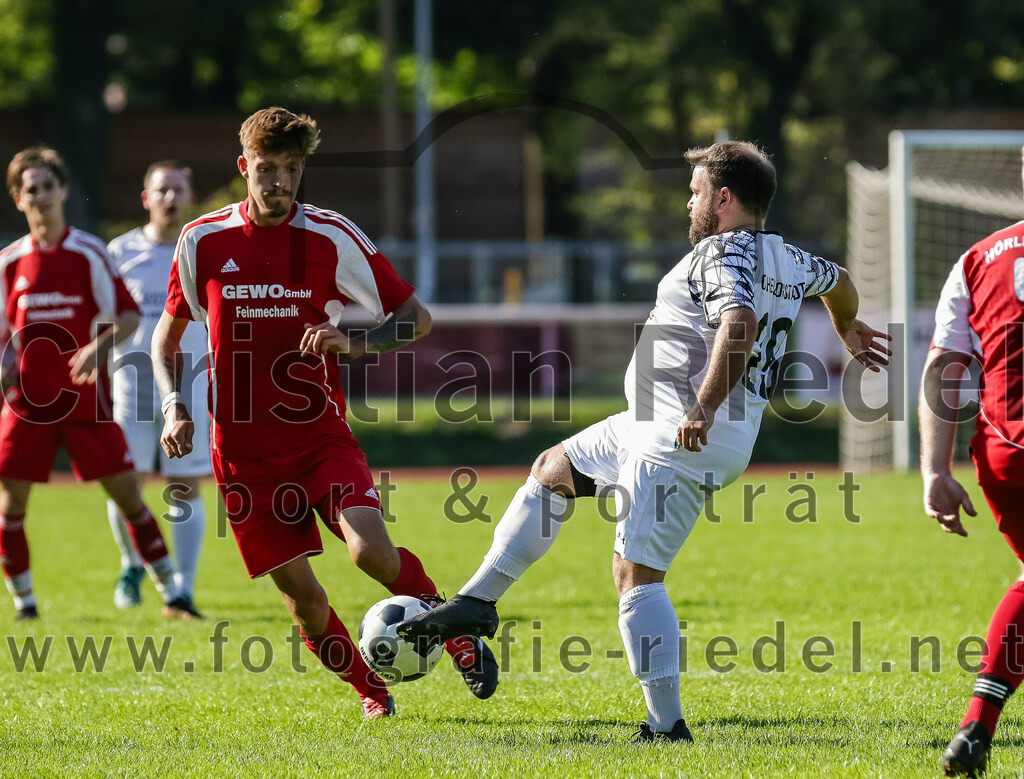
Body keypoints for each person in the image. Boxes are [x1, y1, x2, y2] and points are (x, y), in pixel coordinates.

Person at [398, 141, 891, 741]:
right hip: (659, 423)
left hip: (682, 434)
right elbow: (838, 281)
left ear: (724, 198)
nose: (690, 202)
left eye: (696, 192)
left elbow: (740, 324)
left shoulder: (720, 252)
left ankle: (665, 726)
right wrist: (844, 322)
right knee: (553, 468)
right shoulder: (787, 256)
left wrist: (702, 408)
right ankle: (476, 603)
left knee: (636, 576)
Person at [151, 106, 498, 719]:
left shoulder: (331, 236)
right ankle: (371, 691)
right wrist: (175, 404)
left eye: (291, 168)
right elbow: (164, 339)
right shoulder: (203, 240)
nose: (279, 180)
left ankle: (456, 630)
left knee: (371, 554)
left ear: (303, 170)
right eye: (267, 168)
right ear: (244, 168)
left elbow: (416, 318)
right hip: (242, 455)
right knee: (304, 601)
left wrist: (357, 343)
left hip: (318, 438)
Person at [0, 146, 198, 621]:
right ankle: (25, 605)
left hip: (88, 404)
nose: (42, 196)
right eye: (32, 190)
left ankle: (173, 594)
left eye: (49, 186)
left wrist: (98, 349)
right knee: (9, 509)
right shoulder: (9, 263)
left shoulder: (87, 250)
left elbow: (128, 317)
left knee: (130, 497)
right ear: (17, 198)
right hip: (27, 406)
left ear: (63, 191)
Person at [919, 146, 1024, 777]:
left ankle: (976, 728)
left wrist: (935, 467)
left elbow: (943, 368)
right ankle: (976, 724)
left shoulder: (975, 260)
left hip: (1006, 455)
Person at [105, 161, 211, 614]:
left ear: (190, 197)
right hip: (130, 389)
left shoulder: (201, 249)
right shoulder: (119, 251)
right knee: (125, 487)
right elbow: (102, 314)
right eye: (161, 190)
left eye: (178, 190)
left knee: (183, 486)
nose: (170, 198)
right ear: (146, 198)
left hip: (189, 390)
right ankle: (134, 566)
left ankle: (183, 586)